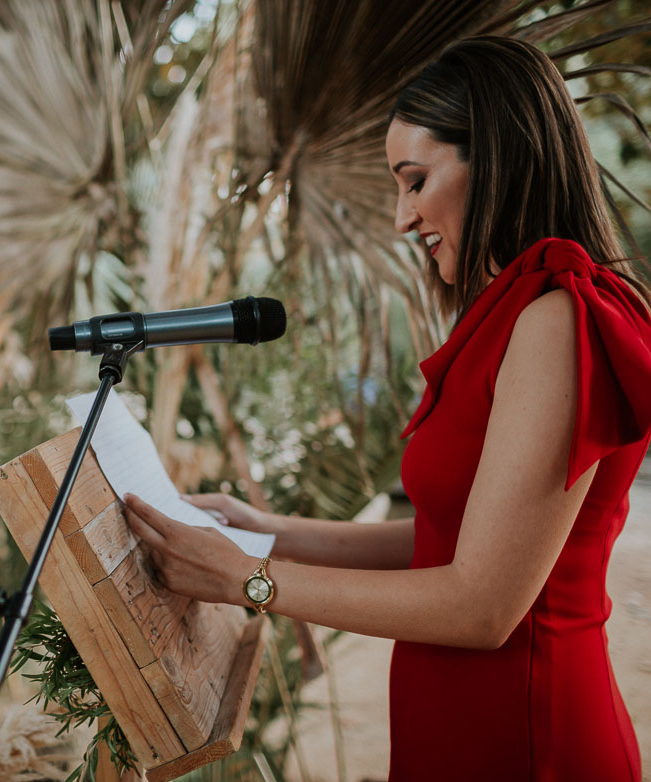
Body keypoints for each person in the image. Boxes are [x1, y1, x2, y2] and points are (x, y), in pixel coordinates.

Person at [123, 36, 651, 781]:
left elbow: (481, 605)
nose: (402, 219)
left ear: (496, 156)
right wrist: (269, 533)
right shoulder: (508, 315)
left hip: (526, 740)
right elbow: (451, 540)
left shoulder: (556, 318)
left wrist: (248, 578)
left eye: (414, 181)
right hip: (457, 726)